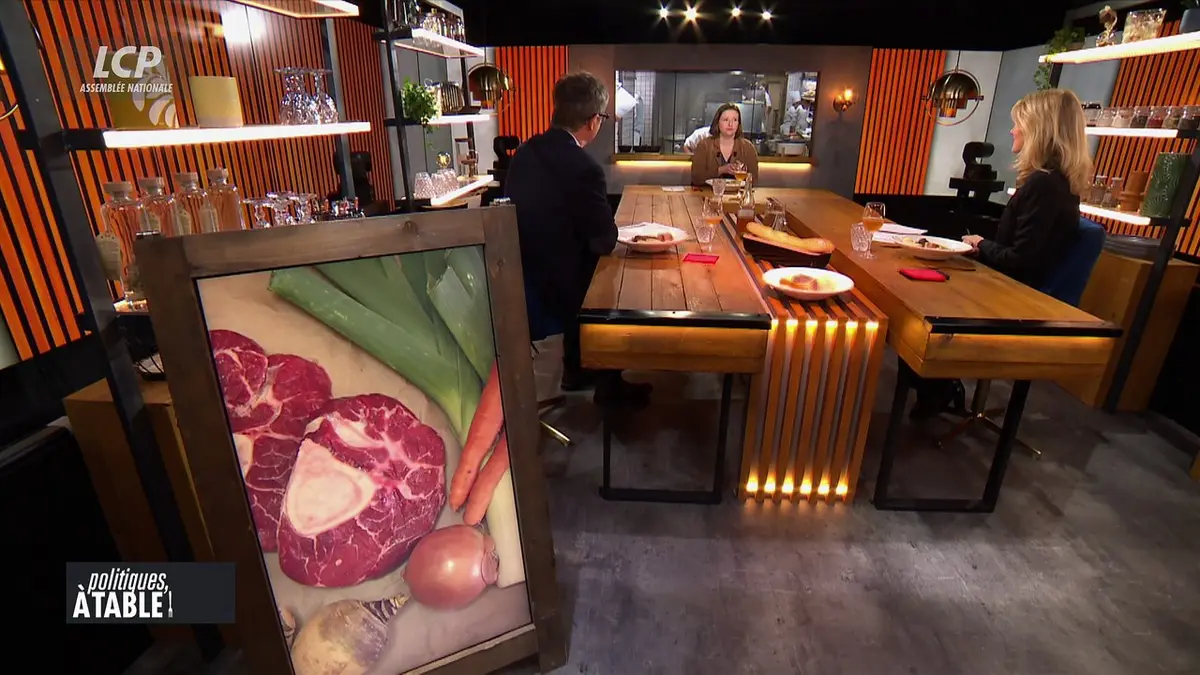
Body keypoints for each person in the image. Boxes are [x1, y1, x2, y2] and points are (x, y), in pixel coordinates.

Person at [910, 88, 1092, 419]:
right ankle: (938, 386)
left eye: (1018, 123)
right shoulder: (1060, 184)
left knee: (919, 309)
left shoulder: (1043, 185)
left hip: (1014, 298)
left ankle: (938, 385)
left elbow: (1021, 260)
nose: (1012, 130)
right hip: (1014, 288)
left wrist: (980, 244)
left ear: (1038, 129)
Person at [504, 71, 651, 406]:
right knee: (617, 278)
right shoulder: (584, 168)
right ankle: (610, 389)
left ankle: (576, 368)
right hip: (558, 289)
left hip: (520, 277)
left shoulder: (525, 152)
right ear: (593, 120)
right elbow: (604, 240)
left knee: (584, 262)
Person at [690, 104, 760, 186]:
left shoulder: (748, 147)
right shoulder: (704, 145)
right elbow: (696, 178)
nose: (730, 124)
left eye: (735, 120)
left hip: (737, 193)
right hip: (708, 192)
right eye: (726, 120)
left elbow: (753, 180)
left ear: (738, 124)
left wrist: (741, 173)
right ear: (717, 122)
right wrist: (721, 170)